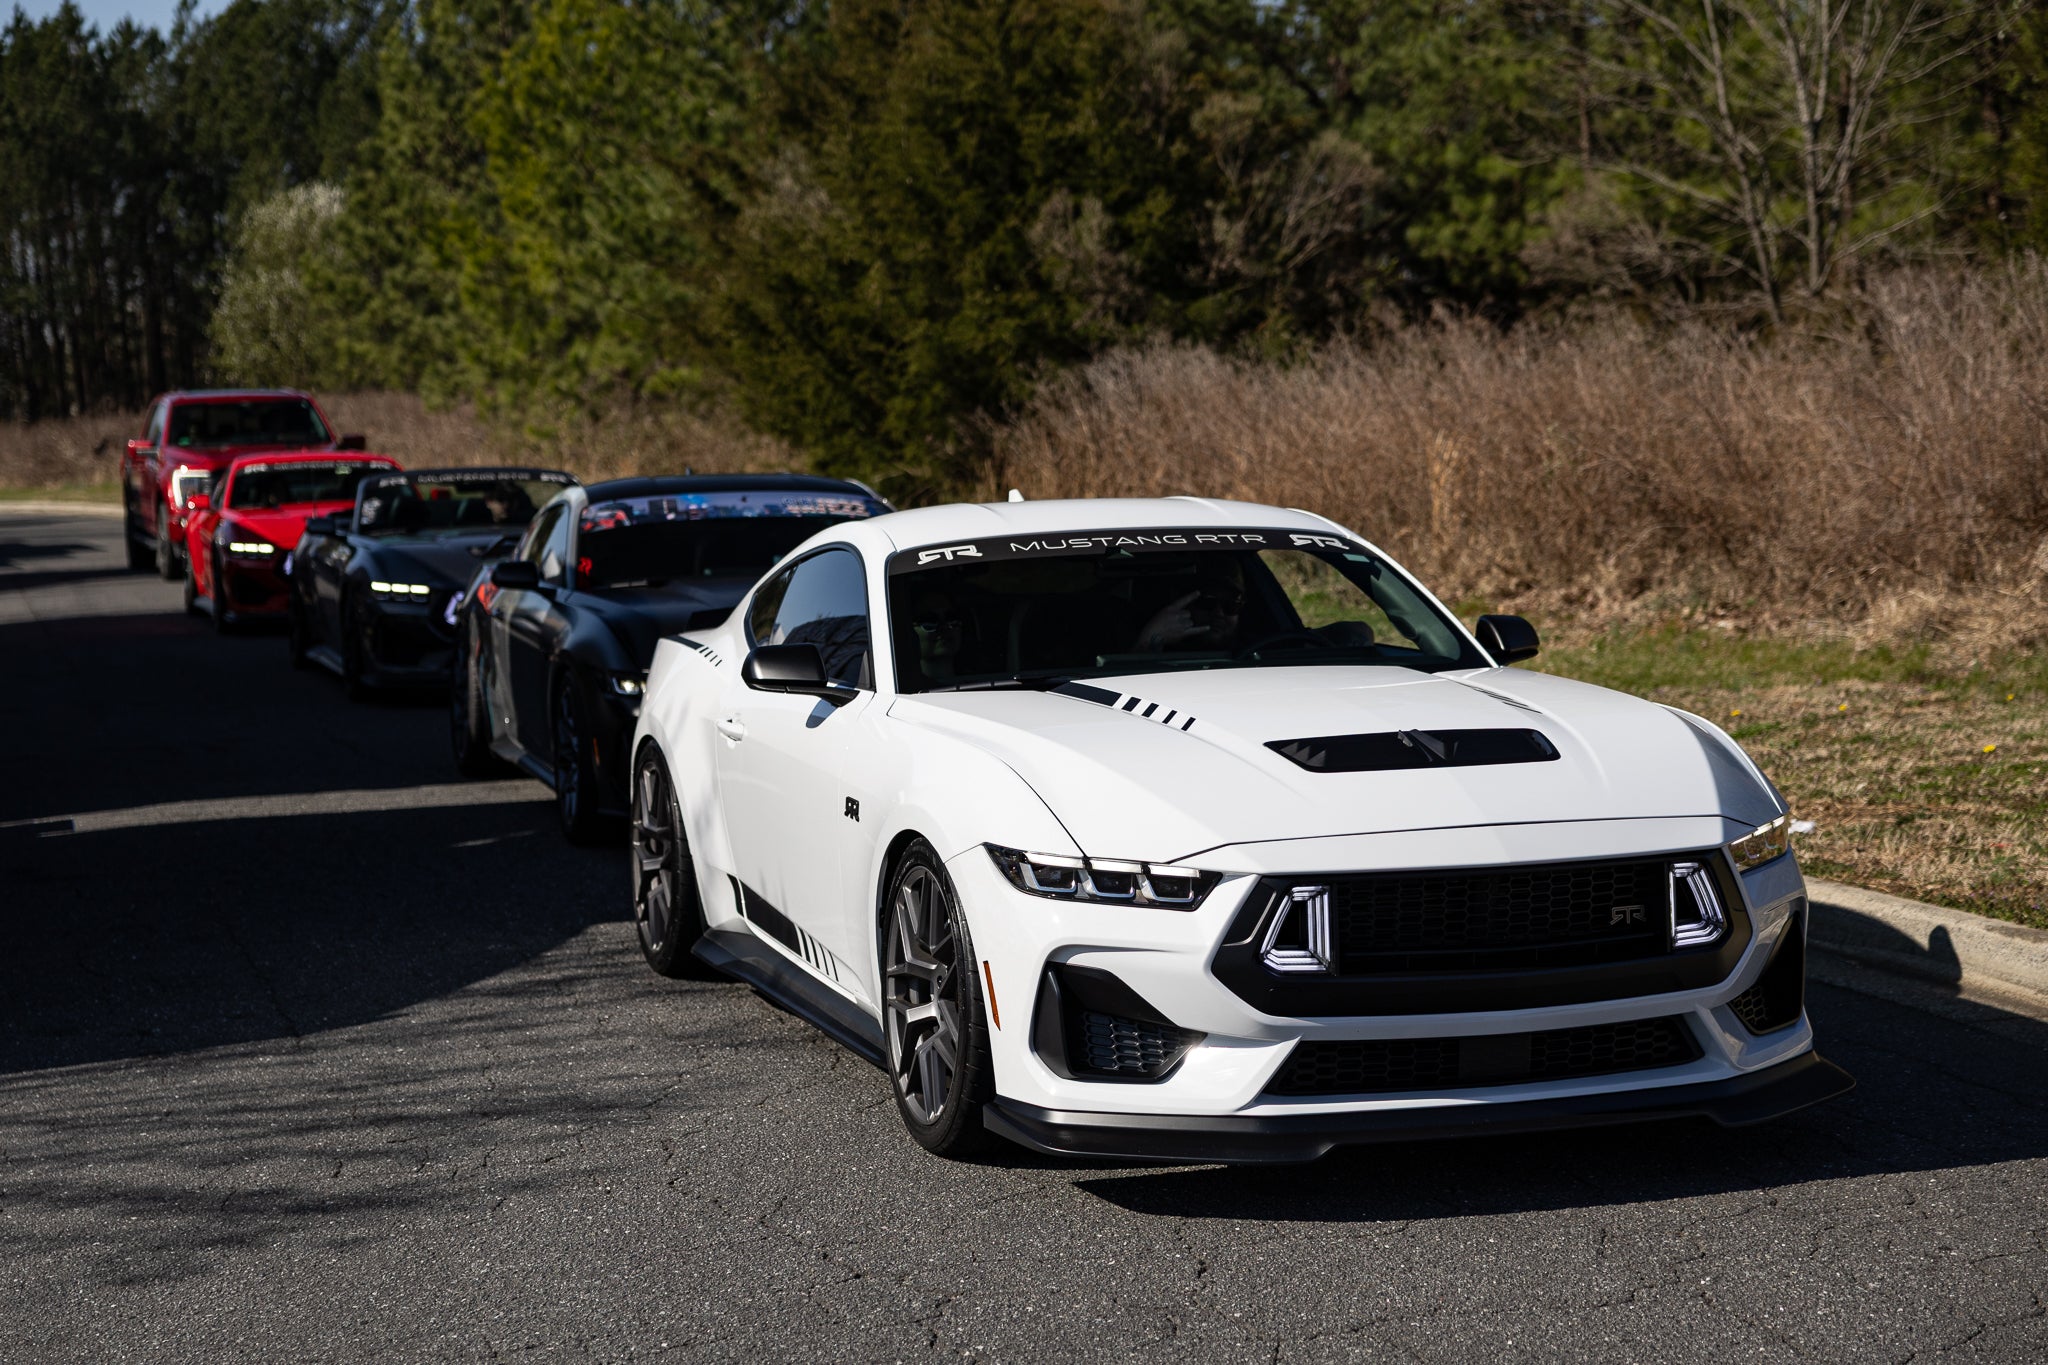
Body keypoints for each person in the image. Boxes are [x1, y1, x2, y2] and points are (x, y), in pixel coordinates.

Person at [1135, 559, 1247, 652]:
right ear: (1186, 606)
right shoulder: (1162, 653)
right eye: (1207, 603)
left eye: (1231, 606)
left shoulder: (1255, 652)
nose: (1219, 613)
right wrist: (1151, 639)